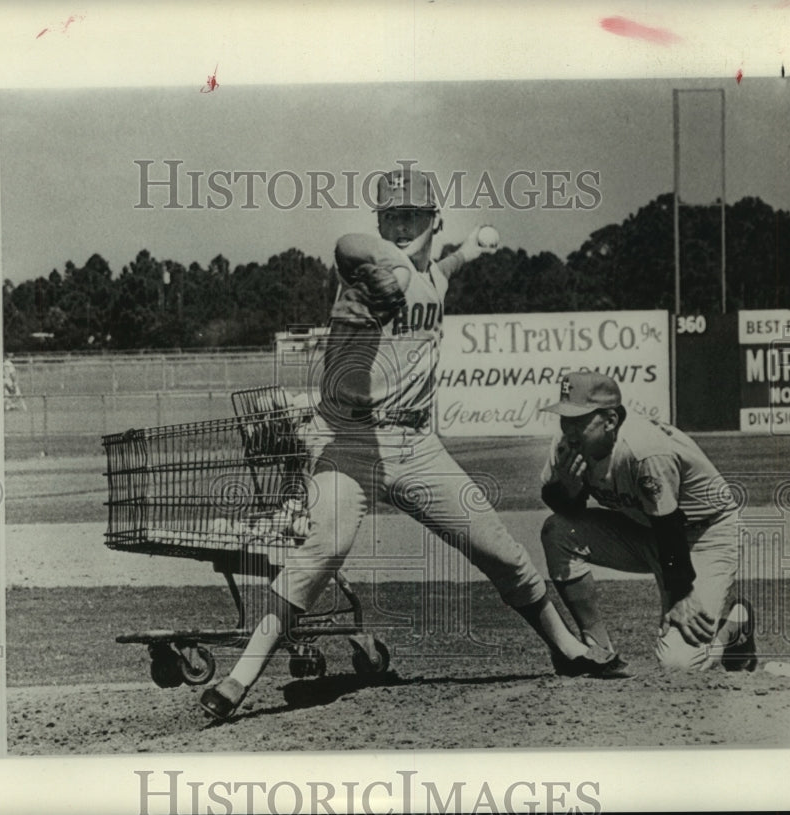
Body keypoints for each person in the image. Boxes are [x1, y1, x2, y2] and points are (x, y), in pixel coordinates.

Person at [199, 168, 627, 721]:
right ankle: (240, 678)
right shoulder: (362, 281)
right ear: (378, 222)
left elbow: (440, 271)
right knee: (323, 550)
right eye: (391, 217)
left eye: (414, 217)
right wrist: (375, 267)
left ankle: (567, 649)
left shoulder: (433, 280)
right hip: (351, 442)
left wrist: (469, 250)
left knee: (500, 550)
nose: (402, 227)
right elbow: (346, 247)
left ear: (434, 221)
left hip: (419, 446)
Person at [538, 371, 757, 671]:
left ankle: (735, 629)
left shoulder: (643, 450)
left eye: (579, 419)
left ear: (610, 421)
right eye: (565, 418)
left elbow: (669, 523)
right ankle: (599, 650)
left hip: (704, 535)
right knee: (558, 532)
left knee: (679, 663)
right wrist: (567, 489)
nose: (569, 429)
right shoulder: (567, 445)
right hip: (644, 528)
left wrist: (681, 595)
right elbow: (561, 507)